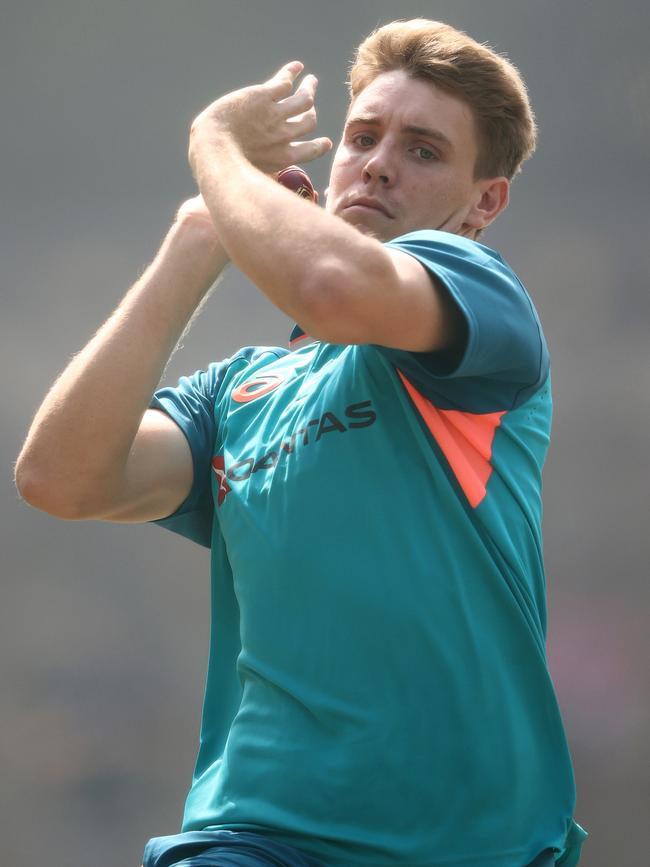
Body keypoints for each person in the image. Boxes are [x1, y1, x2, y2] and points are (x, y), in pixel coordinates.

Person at [15, 18, 587, 867]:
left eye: (424, 151)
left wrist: (211, 139)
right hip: (253, 837)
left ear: (484, 202)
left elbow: (329, 286)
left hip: (471, 844)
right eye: (362, 137)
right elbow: (61, 476)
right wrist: (198, 237)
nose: (379, 162)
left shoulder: (483, 295)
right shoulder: (238, 391)